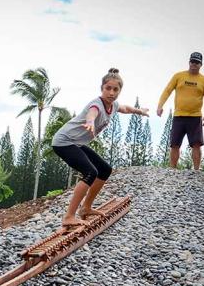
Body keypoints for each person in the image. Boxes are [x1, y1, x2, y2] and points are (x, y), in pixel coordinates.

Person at [52, 68, 149, 226]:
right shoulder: (96, 104)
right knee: (90, 172)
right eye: (108, 88)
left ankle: (86, 208)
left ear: (119, 90)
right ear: (102, 88)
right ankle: (69, 217)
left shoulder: (113, 105)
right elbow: (93, 112)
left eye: (115, 89)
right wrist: (90, 121)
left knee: (105, 170)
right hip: (64, 142)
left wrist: (139, 111)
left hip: (76, 143)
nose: (111, 92)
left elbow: (124, 108)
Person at [157, 51, 204, 170]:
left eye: (197, 62)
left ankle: (197, 169)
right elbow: (167, 90)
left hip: (195, 116)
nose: (194, 64)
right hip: (179, 115)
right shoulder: (179, 76)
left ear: (201, 64)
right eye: (192, 61)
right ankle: (172, 168)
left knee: (196, 144)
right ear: (189, 62)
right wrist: (160, 105)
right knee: (175, 144)